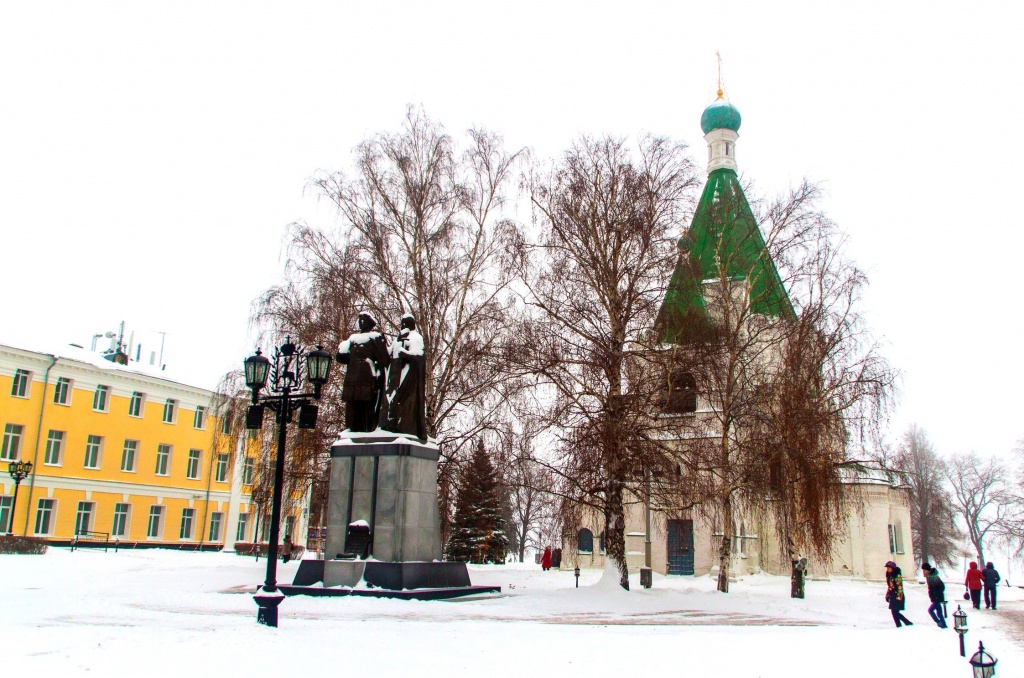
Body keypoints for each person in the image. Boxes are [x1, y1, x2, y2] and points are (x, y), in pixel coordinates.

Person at [337, 311, 391, 432]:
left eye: (364, 320)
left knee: (367, 405)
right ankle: (351, 429)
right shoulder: (353, 339)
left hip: (367, 375)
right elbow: (342, 357)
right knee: (352, 404)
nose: (361, 323)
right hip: (352, 376)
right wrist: (342, 349)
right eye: (360, 320)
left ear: (369, 323)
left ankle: (368, 429)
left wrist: (382, 344)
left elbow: (385, 360)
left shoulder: (375, 337)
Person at [379, 314, 427, 440]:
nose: (402, 326)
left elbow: (420, 358)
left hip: (407, 378)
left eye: (405, 324)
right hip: (393, 376)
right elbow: (387, 358)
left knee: (403, 405)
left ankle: (401, 427)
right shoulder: (397, 339)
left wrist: (406, 355)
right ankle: (389, 426)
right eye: (402, 324)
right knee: (389, 402)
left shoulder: (416, 338)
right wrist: (383, 345)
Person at [884, 561, 913, 628]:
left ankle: (906, 623)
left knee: (895, 612)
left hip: (897, 596)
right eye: (887, 568)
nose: (887, 569)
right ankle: (900, 625)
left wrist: (899, 597)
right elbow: (890, 586)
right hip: (892, 595)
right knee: (894, 612)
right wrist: (887, 595)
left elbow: (900, 587)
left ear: (892, 568)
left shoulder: (897, 575)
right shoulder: (890, 576)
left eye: (889, 568)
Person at [921, 562, 947, 628]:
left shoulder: (934, 576)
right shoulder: (929, 576)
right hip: (935, 597)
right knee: (939, 613)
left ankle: (939, 623)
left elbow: (942, 586)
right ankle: (943, 625)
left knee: (930, 610)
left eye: (924, 570)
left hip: (937, 598)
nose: (923, 572)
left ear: (927, 570)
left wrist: (936, 594)